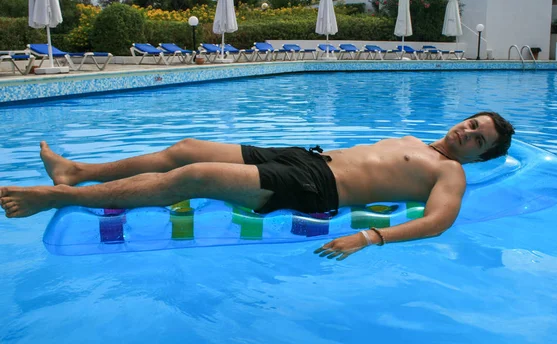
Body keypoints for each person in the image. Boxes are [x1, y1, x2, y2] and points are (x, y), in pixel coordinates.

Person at [0, 111, 514, 260]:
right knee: (186, 148)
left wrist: (369, 236)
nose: (466, 133)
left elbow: (439, 222)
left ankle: (56, 197)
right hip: (306, 157)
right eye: (472, 124)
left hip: (317, 186)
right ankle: (78, 172)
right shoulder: (413, 138)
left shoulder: (449, 172)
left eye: (477, 138)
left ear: (481, 155)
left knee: (194, 177)